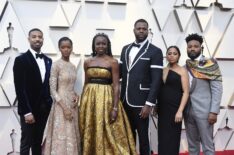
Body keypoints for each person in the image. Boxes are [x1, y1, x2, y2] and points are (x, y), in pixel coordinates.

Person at [79, 33, 136, 155]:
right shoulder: (87, 62)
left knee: (109, 129)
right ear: (94, 46)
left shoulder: (113, 62)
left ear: (107, 45)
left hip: (107, 99)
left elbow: (116, 85)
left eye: (103, 43)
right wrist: (82, 103)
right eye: (98, 43)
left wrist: (115, 107)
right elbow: (86, 82)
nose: (101, 46)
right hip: (90, 100)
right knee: (91, 127)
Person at [119, 19, 163, 155]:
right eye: (139, 28)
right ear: (134, 30)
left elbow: (156, 80)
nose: (141, 31)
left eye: (144, 28)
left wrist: (149, 104)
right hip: (125, 101)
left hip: (141, 103)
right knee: (128, 136)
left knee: (144, 138)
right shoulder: (125, 49)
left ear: (148, 31)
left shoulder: (155, 51)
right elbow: (120, 73)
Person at [13, 28, 52, 155]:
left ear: (43, 40)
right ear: (28, 39)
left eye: (40, 37)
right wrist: (27, 112)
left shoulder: (48, 61)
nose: (37, 39)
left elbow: (48, 85)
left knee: (38, 142)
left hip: (44, 109)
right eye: (34, 37)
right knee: (26, 142)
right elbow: (20, 88)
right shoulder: (21, 60)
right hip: (28, 109)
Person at [184, 33, 223, 155]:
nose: (192, 48)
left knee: (208, 145)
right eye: (190, 46)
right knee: (192, 145)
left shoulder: (210, 64)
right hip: (188, 111)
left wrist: (214, 111)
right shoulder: (184, 67)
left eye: (195, 46)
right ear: (186, 48)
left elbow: (217, 89)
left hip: (205, 112)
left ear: (201, 48)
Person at [43, 37, 81, 155]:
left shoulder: (73, 66)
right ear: (59, 48)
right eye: (63, 47)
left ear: (72, 48)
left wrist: (76, 96)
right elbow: (53, 90)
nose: (66, 49)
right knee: (62, 133)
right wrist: (64, 108)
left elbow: (71, 87)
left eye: (68, 47)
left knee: (71, 132)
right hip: (60, 105)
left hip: (72, 105)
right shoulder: (56, 65)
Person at [157, 46, 189, 155]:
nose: (171, 56)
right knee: (162, 138)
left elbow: (186, 92)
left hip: (175, 109)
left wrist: (180, 110)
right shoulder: (163, 70)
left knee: (172, 139)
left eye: (175, 53)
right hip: (162, 109)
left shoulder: (182, 71)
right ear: (166, 55)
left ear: (179, 56)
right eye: (169, 53)